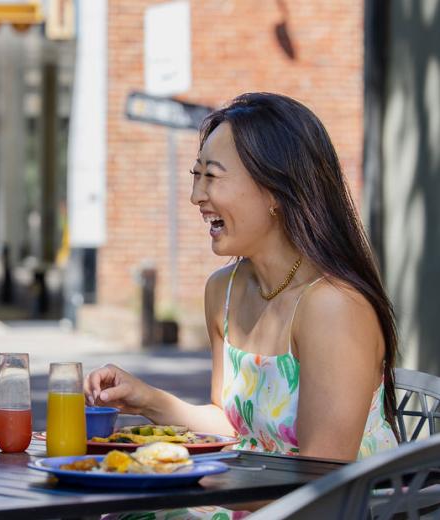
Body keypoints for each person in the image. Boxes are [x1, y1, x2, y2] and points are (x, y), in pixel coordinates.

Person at [85, 93, 398, 519]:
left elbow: (322, 481)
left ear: (275, 190)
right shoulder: (224, 290)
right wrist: (145, 398)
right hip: (253, 501)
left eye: (212, 177)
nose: (197, 196)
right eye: (196, 176)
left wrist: (181, 479)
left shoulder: (333, 306)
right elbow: (233, 427)